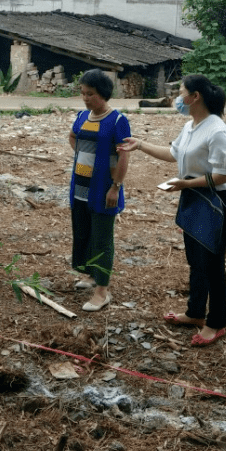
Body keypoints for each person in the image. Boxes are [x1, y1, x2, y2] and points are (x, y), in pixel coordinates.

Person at [118, 75, 226, 346]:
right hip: (193, 197)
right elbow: (174, 153)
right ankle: (195, 312)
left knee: (213, 264)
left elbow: (223, 175)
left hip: (215, 202)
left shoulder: (217, 130)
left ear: (195, 97)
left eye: (181, 92)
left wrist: (185, 182)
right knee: (196, 260)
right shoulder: (191, 125)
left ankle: (216, 323)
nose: (177, 98)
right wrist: (140, 144)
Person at [68, 69, 131, 312]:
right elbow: (73, 136)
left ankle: (102, 291)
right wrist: (83, 155)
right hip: (80, 187)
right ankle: (91, 274)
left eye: (90, 94)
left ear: (103, 94)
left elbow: (123, 157)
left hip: (103, 188)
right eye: (83, 93)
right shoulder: (83, 116)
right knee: (84, 233)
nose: (85, 98)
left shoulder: (117, 121)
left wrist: (115, 186)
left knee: (102, 238)